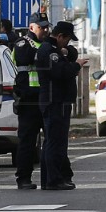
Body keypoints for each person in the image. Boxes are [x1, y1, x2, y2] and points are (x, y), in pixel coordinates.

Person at [36, 21, 88, 190]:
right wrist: (76, 65)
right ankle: (53, 180)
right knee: (54, 142)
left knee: (54, 142)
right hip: (54, 101)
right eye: (66, 40)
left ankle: (53, 178)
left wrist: (66, 53)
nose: (67, 44)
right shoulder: (48, 51)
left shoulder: (55, 50)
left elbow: (69, 54)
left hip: (58, 101)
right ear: (59, 36)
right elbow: (60, 72)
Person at [11, 12, 51, 189]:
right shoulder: (22, 43)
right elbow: (28, 58)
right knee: (27, 141)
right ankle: (23, 178)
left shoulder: (48, 44)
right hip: (29, 100)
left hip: (45, 97)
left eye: (46, 27)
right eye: (41, 27)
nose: (45, 30)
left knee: (51, 140)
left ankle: (50, 177)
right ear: (31, 27)